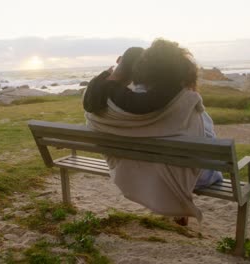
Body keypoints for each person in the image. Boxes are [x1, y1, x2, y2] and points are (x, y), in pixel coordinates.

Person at [84, 39, 222, 225]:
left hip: (134, 173)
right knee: (212, 165)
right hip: (182, 179)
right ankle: (177, 204)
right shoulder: (187, 103)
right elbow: (207, 142)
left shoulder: (111, 106)